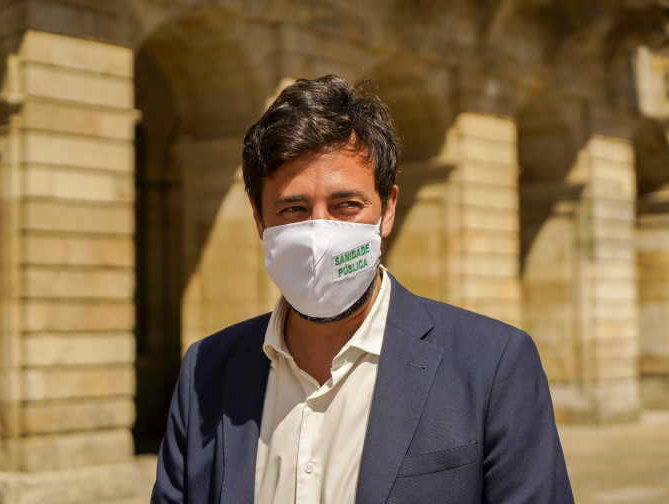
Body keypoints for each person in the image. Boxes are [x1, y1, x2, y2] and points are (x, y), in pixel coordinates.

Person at [151, 74, 574, 504]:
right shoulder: (205, 369)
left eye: (346, 206)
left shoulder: (492, 365)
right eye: (293, 208)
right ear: (260, 220)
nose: (319, 233)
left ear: (387, 209)